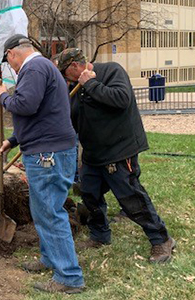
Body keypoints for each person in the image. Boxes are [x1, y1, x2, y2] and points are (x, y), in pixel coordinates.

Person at [56, 48, 175, 262]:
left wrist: (90, 84)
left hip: (119, 150)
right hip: (93, 153)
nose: (65, 79)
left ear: (75, 66)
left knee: (131, 197)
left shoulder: (111, 71)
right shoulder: (74, 89)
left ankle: (161, 239)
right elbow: (72, 119)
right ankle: (100, 235)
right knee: (89, 193)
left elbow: (121, 99)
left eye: (65, 73)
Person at [0, 34, 84, 294]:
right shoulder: (45, 67)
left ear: (11, 54)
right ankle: (50, 258)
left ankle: (69, 277)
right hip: (51, 149)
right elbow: (44, 114)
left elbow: (26, 105)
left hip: (48, 155)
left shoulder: (33, 67)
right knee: (44, 209)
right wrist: (12, 140)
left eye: (8, 61)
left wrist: (2, 96)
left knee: (50, 213)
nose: (11, 66)